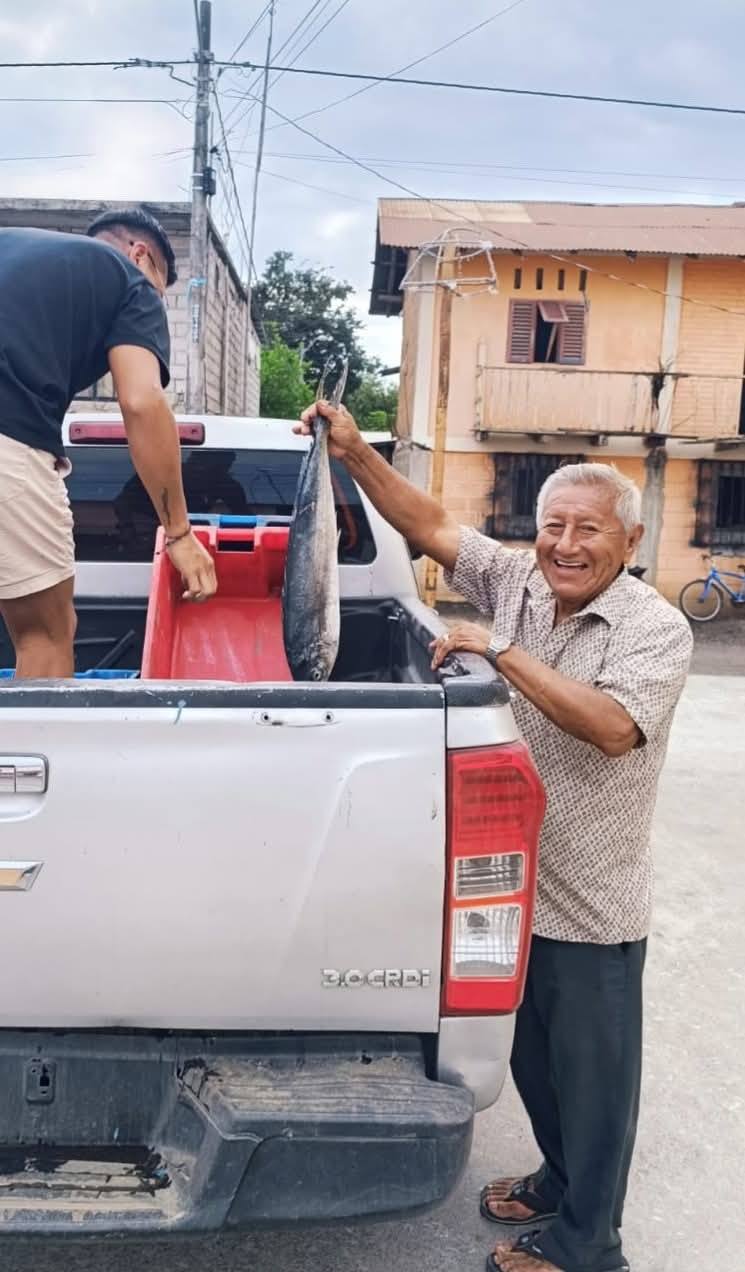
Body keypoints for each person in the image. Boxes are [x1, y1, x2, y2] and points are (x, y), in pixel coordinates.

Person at [297, 399, 693, 1272]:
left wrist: (500, 652)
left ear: (629, 542)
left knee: (593, 1087)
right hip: (503, 889)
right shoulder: (518, 579)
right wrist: (354, 451)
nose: (564, 544)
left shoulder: (653, 628)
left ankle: (590, 1243)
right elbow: (430, 525)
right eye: (553, 525)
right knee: (532, 1064)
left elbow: (611, 728)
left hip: (589, 905)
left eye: (587, 529)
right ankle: (558, 1183)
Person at [0, 207, 217, 679]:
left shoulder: (13, 246)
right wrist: (179, 534)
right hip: (10, 436)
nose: (156, 303)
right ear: (141, 255)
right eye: (160, 291)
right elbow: (141, 401)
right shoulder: (130, 281)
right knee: (45, 635)